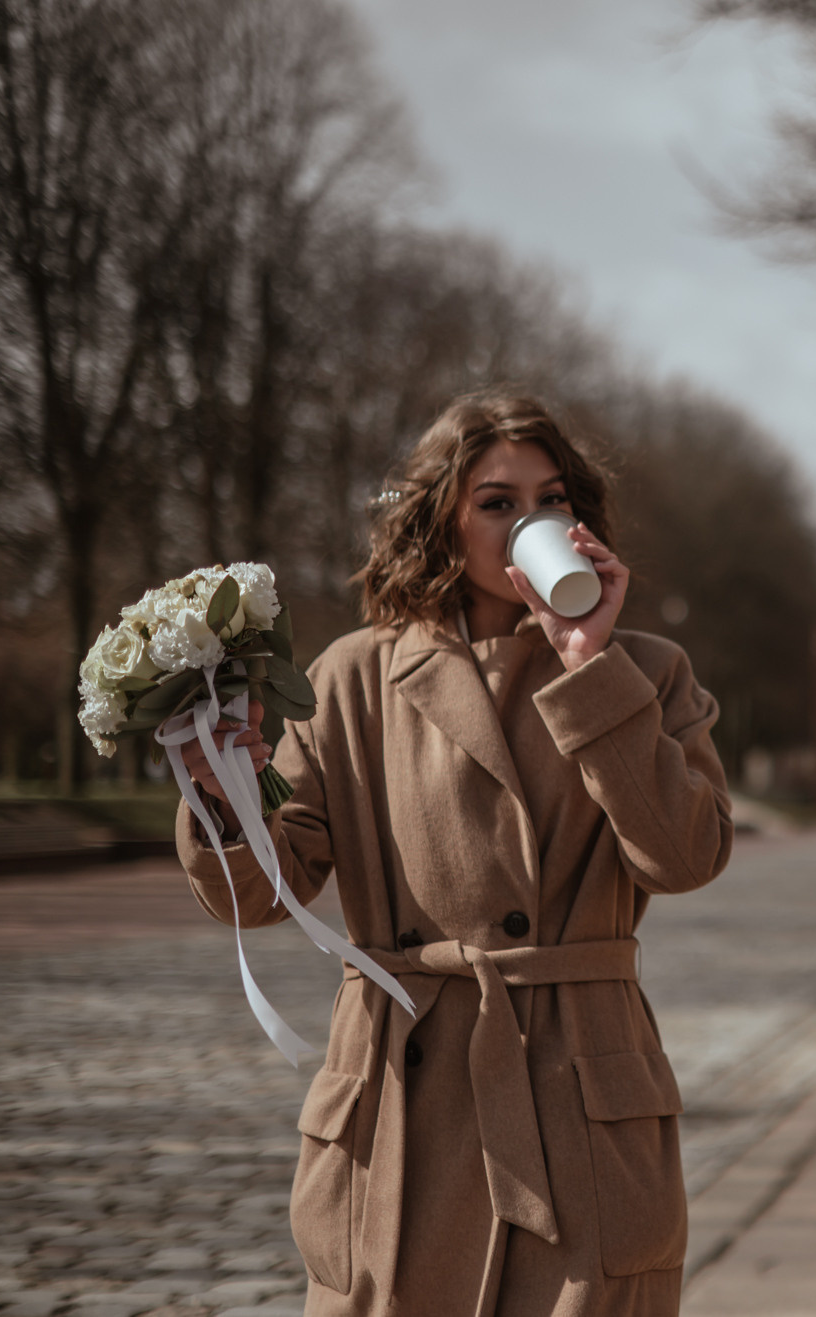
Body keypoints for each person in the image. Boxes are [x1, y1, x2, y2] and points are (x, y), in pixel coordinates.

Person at [174, 391, 732, 1317]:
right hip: (404, 1093)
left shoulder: (646, 670)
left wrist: (590, 663)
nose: (532, 522)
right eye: (498, 502)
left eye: (551, 499)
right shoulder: (354, 675)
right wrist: (219, 787)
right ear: (440, 518)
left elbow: (684, 855)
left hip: (579, 1100)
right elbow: (269, 890)